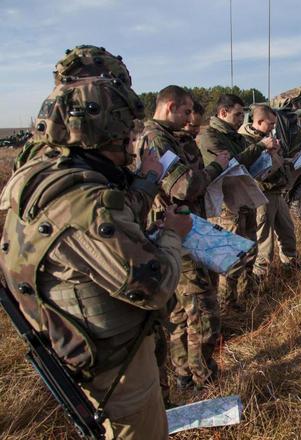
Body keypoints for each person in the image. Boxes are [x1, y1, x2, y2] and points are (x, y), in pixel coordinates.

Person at [0, 76, 191, 439]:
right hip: (116, 369)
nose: (130, 146)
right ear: (104, 133)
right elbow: (156, 285)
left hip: (76, 348)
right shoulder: (84, 202)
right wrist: (172, 234)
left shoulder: (33, 177)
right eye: (124, 137)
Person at [137, 86, 229, 390]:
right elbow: (184, 188)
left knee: (180, 310)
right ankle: (204, 379)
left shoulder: (168, 137)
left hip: (180, 231)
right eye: (187, 111)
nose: (192, 117)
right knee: (203, 309)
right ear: (171, 107)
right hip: (177, 234)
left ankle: (184, 374)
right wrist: (218, 167)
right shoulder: (156, 138)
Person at [197, 94, 278, 311]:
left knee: (250, 250)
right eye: (238, 114)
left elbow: (247, 162)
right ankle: (227, 305)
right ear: (223, 112)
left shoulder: (235, 136)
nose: (242, 119)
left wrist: (266, 156)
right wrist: (260, 146)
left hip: (244, 198)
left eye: (243, 114)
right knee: (231, 256)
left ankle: (245, 294)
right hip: (227, 205)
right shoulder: (210, 137)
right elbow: (232, 163)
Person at [238, 104, 300, 279]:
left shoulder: (267, 138)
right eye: (271, 124)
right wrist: (266, 150)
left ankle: (290, 264)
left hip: (276, 192)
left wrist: (288, 160)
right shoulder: (247, 141)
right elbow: (252, 169)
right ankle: (261, 276)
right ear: (259, 121)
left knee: (287, 230)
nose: (274, 127)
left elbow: (275, 162)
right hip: (261, 195)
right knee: (264, 239)